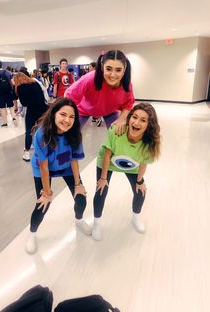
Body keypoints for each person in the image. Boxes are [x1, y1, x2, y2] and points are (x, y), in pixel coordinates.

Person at [25, 97, 91, 254]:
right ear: (54, 113)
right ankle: (32, 234)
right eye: (63, 115)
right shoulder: (41, 134)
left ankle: (79, 220)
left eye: (72, 116)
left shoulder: (75, 133)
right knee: (43, 204)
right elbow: (44, 166)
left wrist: (78, 184)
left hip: (66, 165)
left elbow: (74, 160)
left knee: (81, 198)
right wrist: (47, 193)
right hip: (44, 167)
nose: (67, 120)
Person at [91, 103, 161, 241]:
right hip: (108, 162)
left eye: (143, 120)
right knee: (101, 190)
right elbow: (107, 155)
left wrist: (140, 181)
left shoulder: (149, 141)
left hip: (131, 164)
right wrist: (103, 179)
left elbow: (143, 163)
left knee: (140, 191)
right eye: (134, 117)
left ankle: (135, 217)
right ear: (129, 118)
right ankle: (96, 223)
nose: (136, 122)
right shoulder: (117, 131)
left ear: (149, 125)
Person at [65, 50, 135, 135]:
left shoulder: (126, 84)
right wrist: (67, 117)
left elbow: (128, 104)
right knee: (70, 135)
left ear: (124, 70)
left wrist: (122, 118)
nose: (113, 75)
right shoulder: (90, 79)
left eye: (118, 70)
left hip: (111, 111)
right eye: (108, 69)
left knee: (118, 135)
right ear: (102, 67)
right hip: (84, 110)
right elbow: (69, 95)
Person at [13, 72, 48, 161]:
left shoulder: (20, 87)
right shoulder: (35, 83)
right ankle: (46, 149)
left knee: (29, 131)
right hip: (43, 109)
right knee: (44, 129)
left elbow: (24, 103)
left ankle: (27, 153)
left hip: (32, 110)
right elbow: (42, 96)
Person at [0, 60, 17, 127]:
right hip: (8, 92)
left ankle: (5, 122)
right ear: (2, 65)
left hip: (0, 93)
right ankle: (14, 118)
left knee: (2, 107)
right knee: (11, 106)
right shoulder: (8, 73)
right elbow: (13, 83)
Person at [88, 61, 103, 127]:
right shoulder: (91, 74)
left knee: (96, 107)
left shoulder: (96, 74)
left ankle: (98, 118)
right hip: (92, 93)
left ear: (94, 67)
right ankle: (94, 118)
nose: (89, 68)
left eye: (90, 67)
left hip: (96, 93)